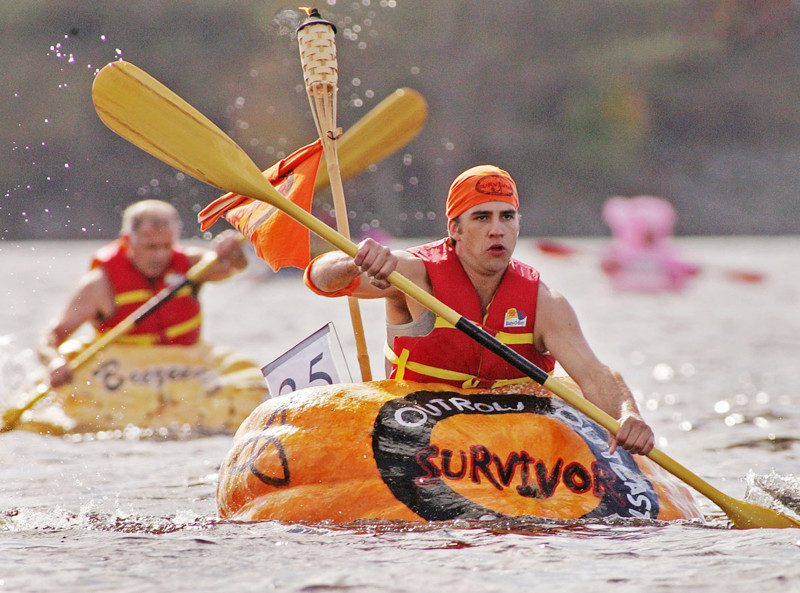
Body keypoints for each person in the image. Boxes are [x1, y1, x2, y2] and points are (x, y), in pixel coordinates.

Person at [304, 165, 654, 455]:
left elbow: (594, 375)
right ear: (454, 229)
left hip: (513, 441)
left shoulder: (545, 303)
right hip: (421, 430)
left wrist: (627, 416)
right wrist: (354, 262)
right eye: (482, 218)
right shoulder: (412, 274)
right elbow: (321, 280)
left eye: (507, 217)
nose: (497, 230)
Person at [39, 199, 248, 388]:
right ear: (127, 239)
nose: (160, 256)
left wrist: (233, 253)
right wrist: (54, 362)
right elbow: (53, 336)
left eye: (167, 246)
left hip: (185, 366)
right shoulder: (98, 285)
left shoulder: (192, 263)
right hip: (125, 374)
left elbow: (233, 267)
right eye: (150, 247)